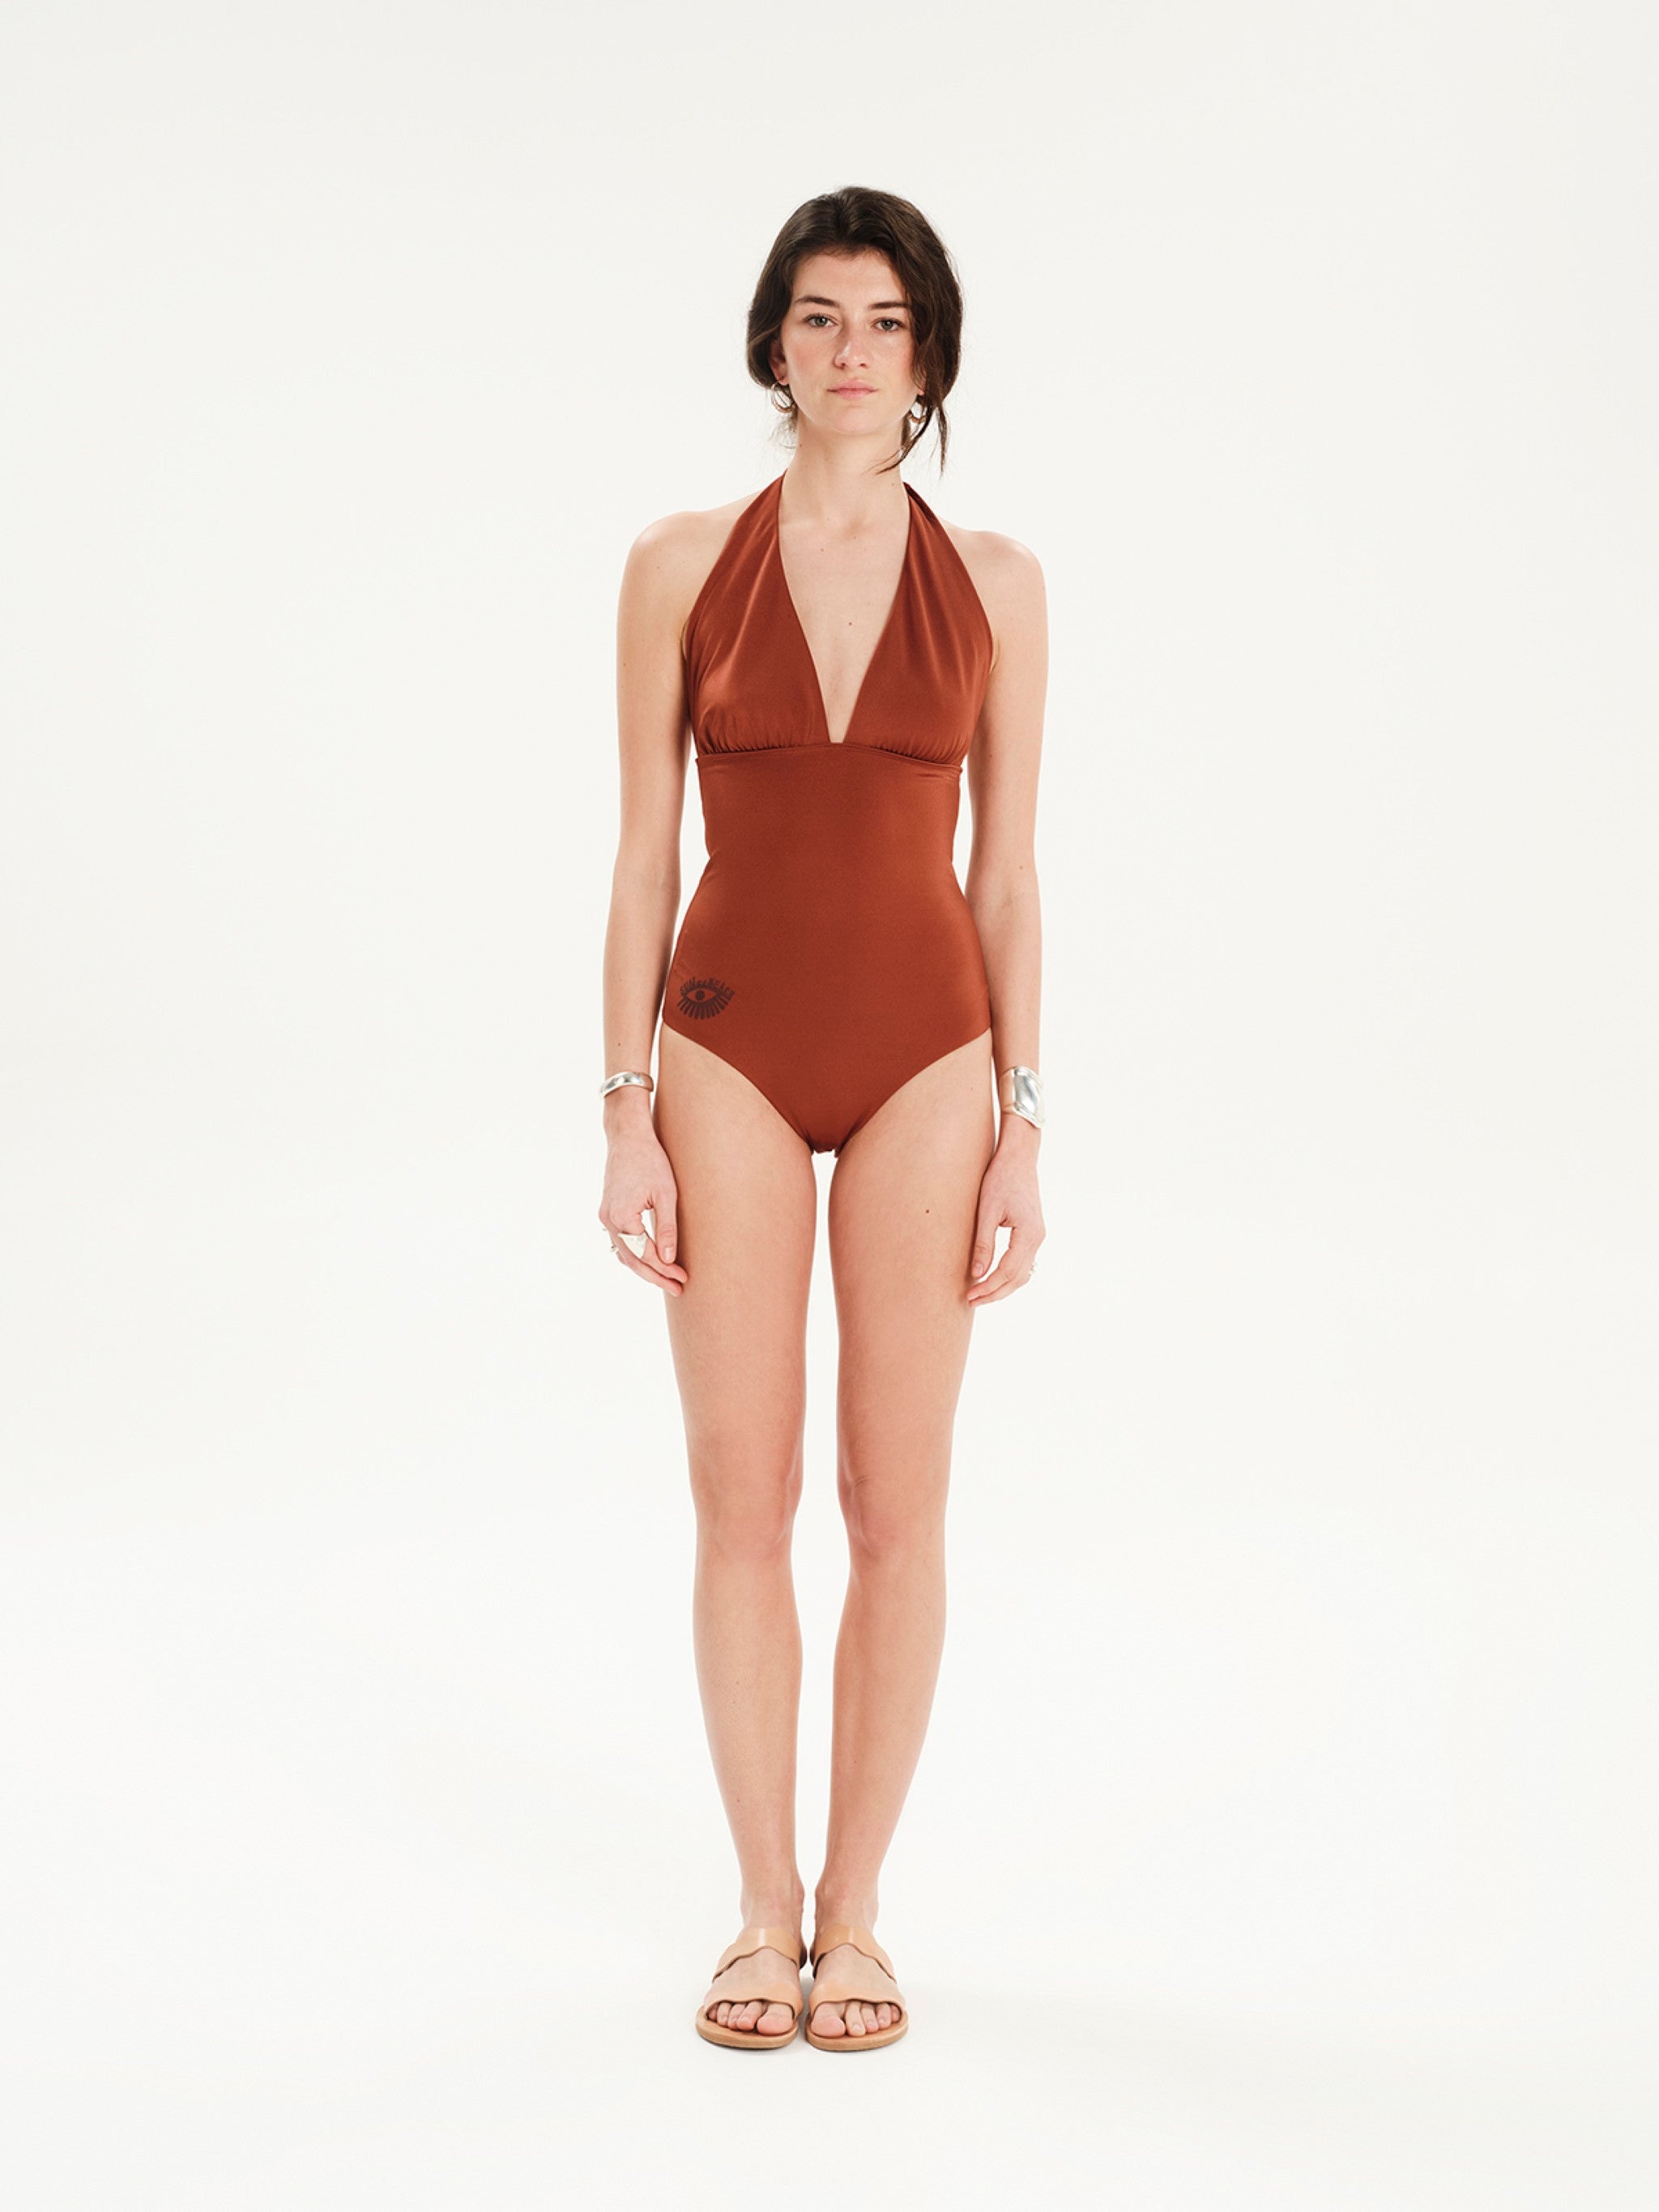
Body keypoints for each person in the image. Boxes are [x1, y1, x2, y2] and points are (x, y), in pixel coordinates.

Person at [597, 185, 1047, 2051]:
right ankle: (757, 1908)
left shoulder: (999, 582)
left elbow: (1005, 873)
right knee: (743, 1493)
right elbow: (646, 855)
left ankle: (855, 1913)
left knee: (893, 1500)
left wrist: (1025, 1117)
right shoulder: (678, 563)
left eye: (884, 320)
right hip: (725, 1050)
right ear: (773, 344)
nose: (850, 350)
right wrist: (624, 1107)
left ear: (927, 354)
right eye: (817, 316)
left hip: (933, 1056)